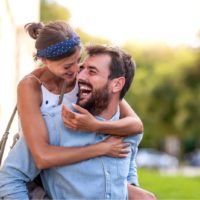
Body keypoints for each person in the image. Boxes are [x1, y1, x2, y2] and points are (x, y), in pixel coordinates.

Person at [0, 21, 155, 199]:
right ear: (44, 61)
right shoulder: (31, 88)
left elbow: (134, 127)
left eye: (78, 61)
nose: (76, 71)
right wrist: (101, 148)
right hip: (41, 170)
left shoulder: (84, 79)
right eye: (68, 66)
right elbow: (41, 156)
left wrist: (94, 125)